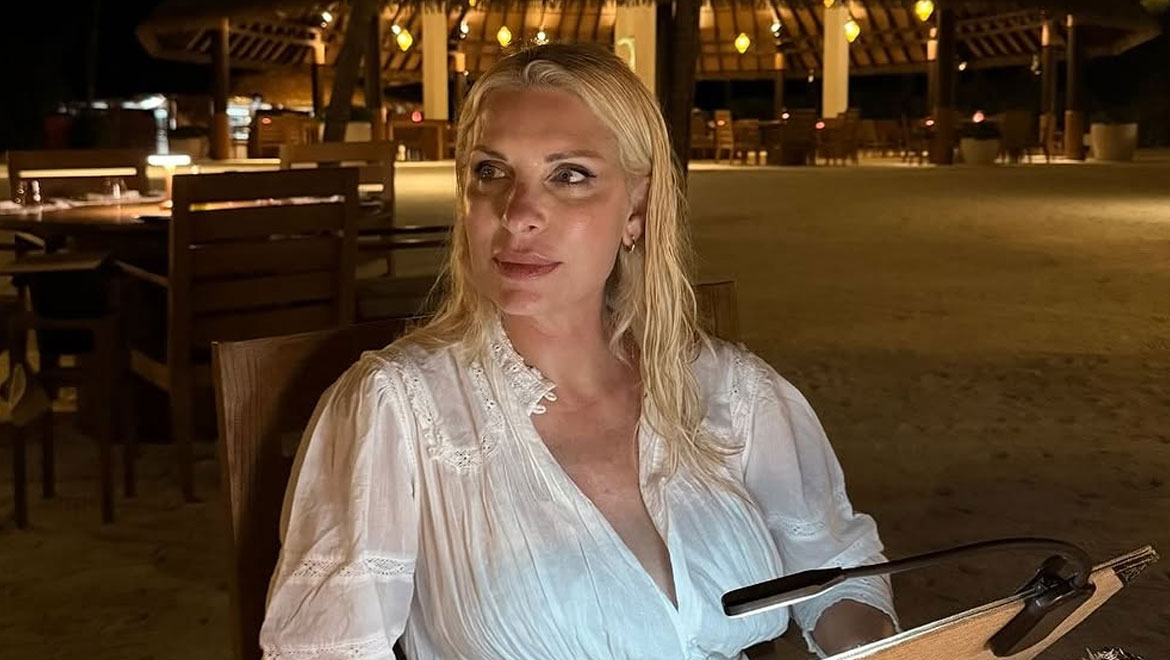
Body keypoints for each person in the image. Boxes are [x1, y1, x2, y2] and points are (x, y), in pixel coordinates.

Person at [259, 44, 897, 659]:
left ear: (637, 208)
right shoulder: (399, 410)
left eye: (570, 176)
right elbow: (323, 649)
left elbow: (836, 566)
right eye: (490, 172)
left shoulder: (731, 393)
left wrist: (876, 646)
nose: (518, 214)